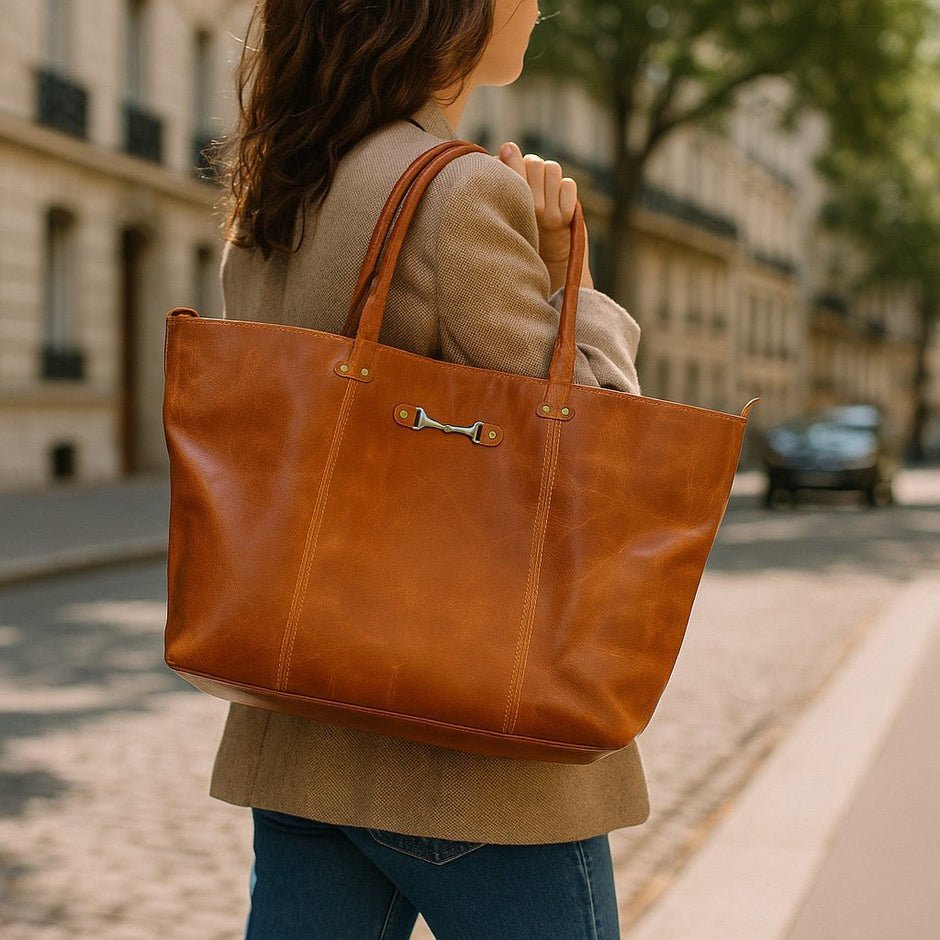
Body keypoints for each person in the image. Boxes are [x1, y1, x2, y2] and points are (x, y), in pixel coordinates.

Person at [211, 1, 648, 937]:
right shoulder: (458, 196)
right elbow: (599, 451)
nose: (541, 2)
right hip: (468, 761)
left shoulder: (277, 200)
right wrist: (570, 270)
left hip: (303, 734)